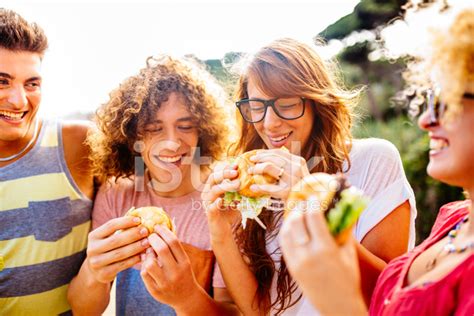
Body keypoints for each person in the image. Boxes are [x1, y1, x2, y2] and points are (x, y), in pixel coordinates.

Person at [280, 3, 474, 315]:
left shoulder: (374, 158)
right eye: (428, 100)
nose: (426, 120)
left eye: (447, 102)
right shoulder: (453, 220)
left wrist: (338, 302)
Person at [203, 37, 417, 314]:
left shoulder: (374, 160)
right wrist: (219, 231)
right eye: (256, 106)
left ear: (317, 102)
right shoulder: (252, 191)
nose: (269, 123)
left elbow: (388, 295)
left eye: (287, 104)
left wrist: (309, 200)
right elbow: (259, 311)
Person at [67, 55, 239, 315]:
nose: (171, 142)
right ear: (132, 135)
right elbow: (83, 309)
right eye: (154, 129)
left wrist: (187, 297)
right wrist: (93, 270)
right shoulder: (117, 194)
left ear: (203, 130)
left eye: (185, 126)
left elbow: (235, 310)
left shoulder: (222, 201)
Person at [0, 9, 95, 315]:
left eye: (31, 83)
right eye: (2, 82)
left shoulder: (77, 145)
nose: (19, 100)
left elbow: (162, 171)